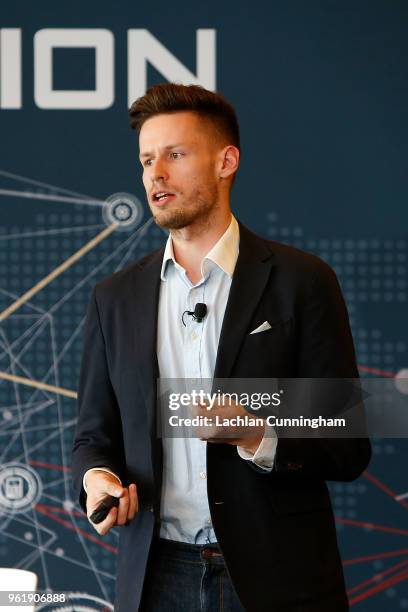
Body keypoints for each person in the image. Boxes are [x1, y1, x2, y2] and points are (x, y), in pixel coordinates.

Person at [72, 83, 371, 612]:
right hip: (156, 578)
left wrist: (255, 432)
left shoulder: (302, 281)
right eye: (146, 160)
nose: (154, 174)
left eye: (175, 155)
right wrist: (99, 481)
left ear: (225, 161)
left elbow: (348, 447)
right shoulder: (113, 298)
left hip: (278, 577)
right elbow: (94, 436)